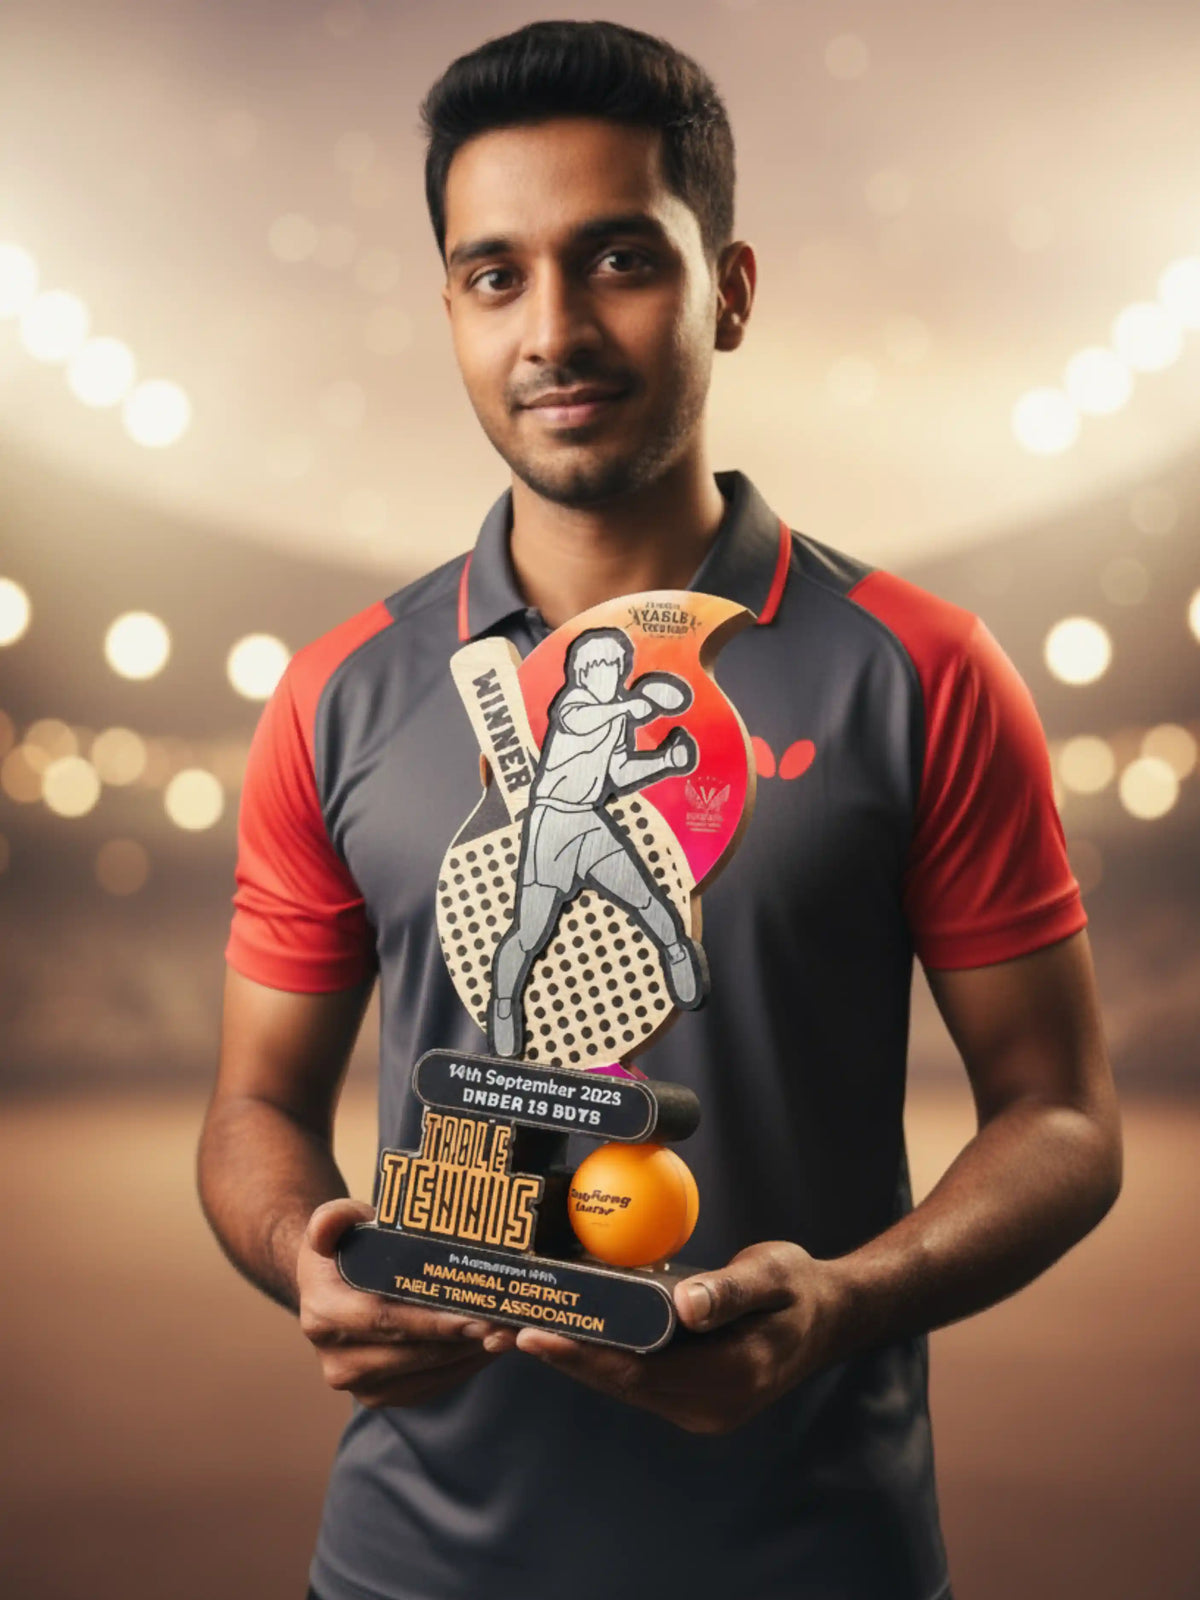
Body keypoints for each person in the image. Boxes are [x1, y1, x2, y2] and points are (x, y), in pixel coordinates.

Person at [198, 21, 1122, 1600]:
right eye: (495, 274)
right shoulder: (340, 692)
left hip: (819, 1562)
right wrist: (306, 1257)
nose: (552, 328)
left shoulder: (920, 671)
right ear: (452, 310)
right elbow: (252, 1115)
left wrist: (841, 1299)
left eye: (619, 257)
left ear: (731, 290)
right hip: (415, 1567)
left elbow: (1066, 1119)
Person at [489, 625, 702, 1059]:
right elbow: (582, 719)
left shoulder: (617, 717)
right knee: (529, 934)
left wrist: (665, 761)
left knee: (646, 898)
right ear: (581, 672)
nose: (606, 674)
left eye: (614, 666)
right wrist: (640, 705)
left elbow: (619, 774)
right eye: (597, 666)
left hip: (590, 821)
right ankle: (505, 1004)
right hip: (552, 824)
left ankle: (678, 954)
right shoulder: (575, 704)